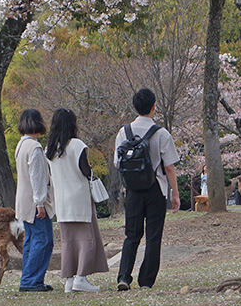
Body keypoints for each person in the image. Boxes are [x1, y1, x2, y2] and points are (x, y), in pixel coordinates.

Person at [114, 88, 180, 291]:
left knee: (131, 235)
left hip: (133, 190)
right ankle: (146, 281)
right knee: (153, 236)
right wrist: (175, 194)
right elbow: (169, 167)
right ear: (154, 106)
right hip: (155, 189)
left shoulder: (123, 132)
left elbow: (118, 164)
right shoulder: (161, 133)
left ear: (135, 107)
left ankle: (124, 276)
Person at [46, 108, 109, 293]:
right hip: (79, 198)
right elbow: (85, 171)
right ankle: (81, 278)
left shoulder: (49, 149)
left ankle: (69, 280)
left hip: (61, 201)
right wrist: (91, 170)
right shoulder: (77, 145)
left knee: (69, 241)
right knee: (87, 239)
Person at [14, 109, 55, 292]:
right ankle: (32, 280)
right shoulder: (35, 148)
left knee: (31, 240)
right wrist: (40, 202)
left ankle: (29, 278)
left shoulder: (21, 145)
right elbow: (37, 178)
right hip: (34, 202)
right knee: (43, 240)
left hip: (22, 201)